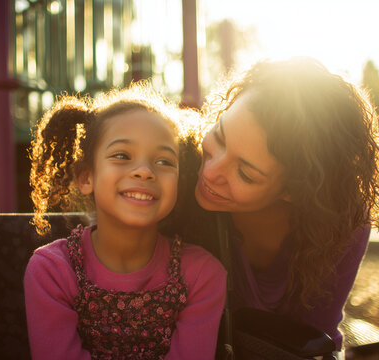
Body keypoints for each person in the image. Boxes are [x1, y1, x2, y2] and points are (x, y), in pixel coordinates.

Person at [193, 57, 379, 355]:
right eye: (220, 136)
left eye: (246, 173)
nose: (210, 172)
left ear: (294, 190)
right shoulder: (178, 175)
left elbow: (312, 337)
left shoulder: (341, 221)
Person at [23, 82, 227, 360]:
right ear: (86, 177)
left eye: (164, 161)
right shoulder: (53, 271)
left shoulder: (202, 275)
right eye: (122, 156)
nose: (144, 171)